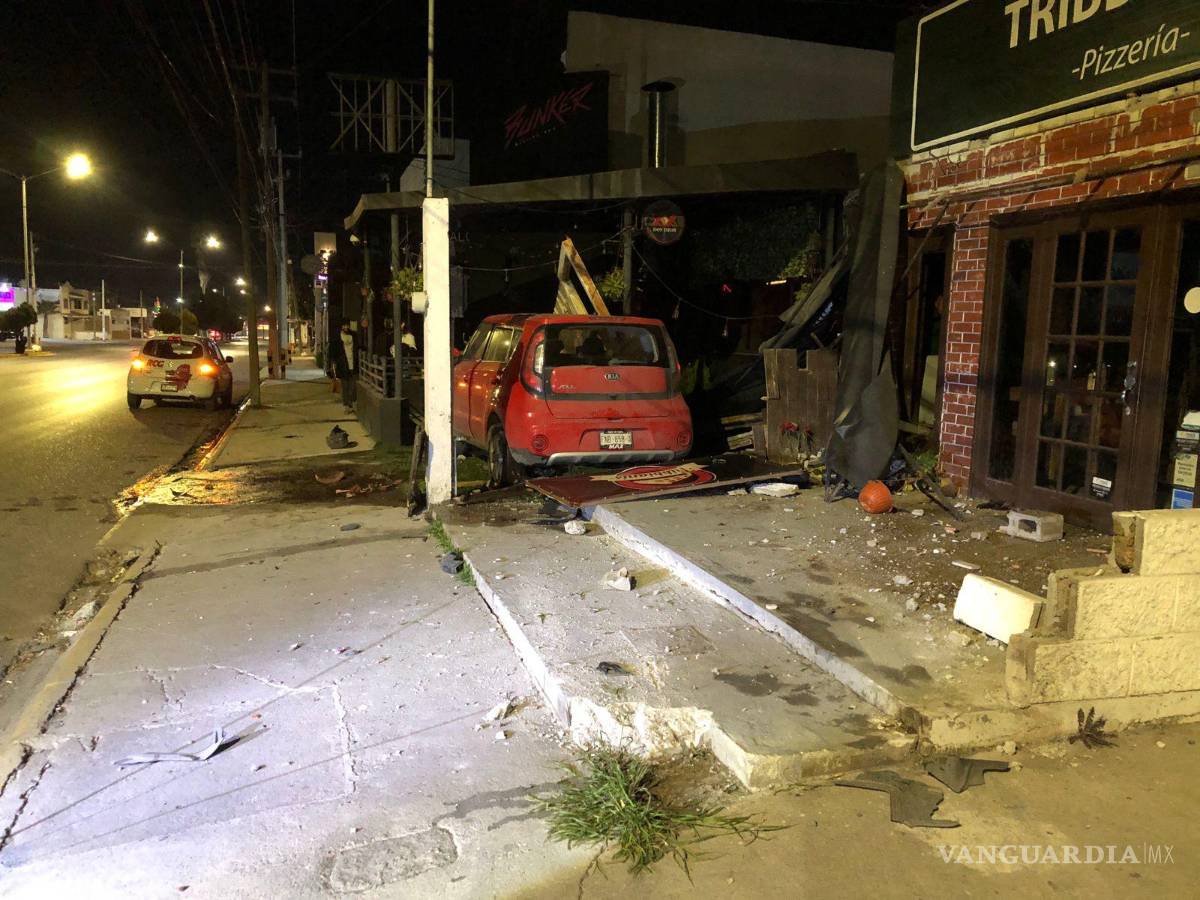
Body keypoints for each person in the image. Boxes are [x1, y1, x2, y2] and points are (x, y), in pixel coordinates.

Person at [339, 324, 357, 410]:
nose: (346, 327)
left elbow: (356, 348)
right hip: (343, 365)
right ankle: (346, 405)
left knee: (352, 386)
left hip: (352, 364)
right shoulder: (339, 338)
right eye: (344, 326)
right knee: (345, 386)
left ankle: (351, 403)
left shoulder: (353, 337)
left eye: (347, 326)